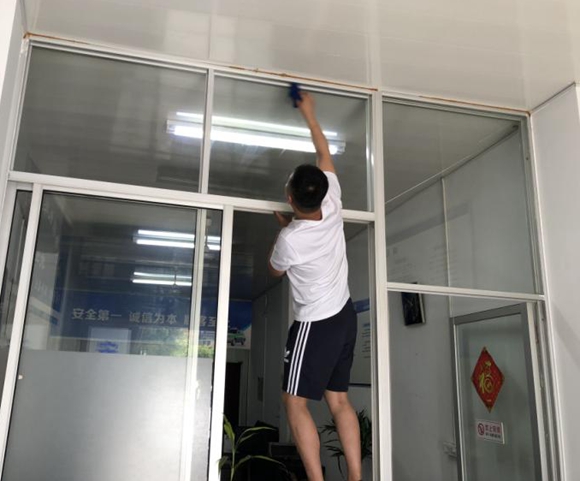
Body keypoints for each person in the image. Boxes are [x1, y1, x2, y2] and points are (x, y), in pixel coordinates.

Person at [268, 91, 362, 481]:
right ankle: (356, 476)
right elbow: (324, 152)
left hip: (317, 323)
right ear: (323, 191)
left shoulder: (290, 240)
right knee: (339, 401)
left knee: (295, 404)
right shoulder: (334, 202)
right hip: (345, 315)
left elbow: (275, 272)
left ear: (290, 198)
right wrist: (310, 113)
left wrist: (286, 231)